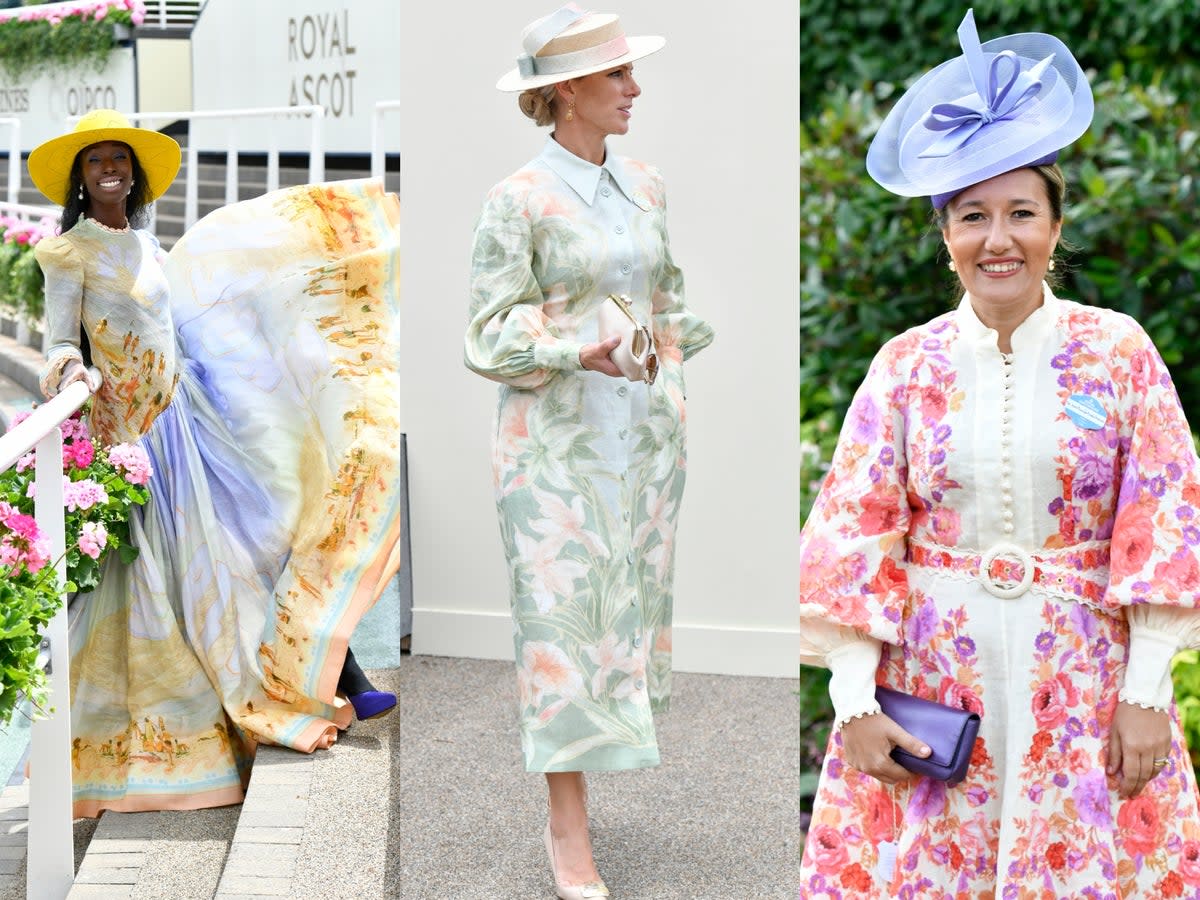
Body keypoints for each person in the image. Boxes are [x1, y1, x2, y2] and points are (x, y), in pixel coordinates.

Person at [798, 11, 1200, 897]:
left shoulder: (1120, 352)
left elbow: (1166, 515)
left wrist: (1145, 687)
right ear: (946, 236)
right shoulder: (905, 365)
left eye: (1022, 212)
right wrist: (856, 702)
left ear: (1056, 226)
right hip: (937, 691)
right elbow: (855, 537)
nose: (999, 238)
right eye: (973, 216)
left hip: (1086, 685)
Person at [27, 109, 401, 817]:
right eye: (95, 162)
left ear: (133, 173)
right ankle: (251, 710)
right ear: (80, 178)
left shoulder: (146, 241)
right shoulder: (68, 254)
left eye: (119, 159)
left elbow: (173, 323)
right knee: (199, 583)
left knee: (267, 532)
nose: (109, 170)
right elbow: (56, 345)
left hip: (192, 419)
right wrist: (69, 373)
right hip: (138, 444)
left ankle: (339, 671)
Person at [464, 6, 713, 898]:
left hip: (643, 444)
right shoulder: (517, 198)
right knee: (558, 628)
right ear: (565, 90)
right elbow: (486, 336)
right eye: (617, 76)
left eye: (629, 74)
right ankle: (567, 830)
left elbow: (670, 296)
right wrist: (579, 349)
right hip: (551, 451)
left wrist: (672, 374)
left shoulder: (646, 183)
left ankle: (585, 794)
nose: (634, 88)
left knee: (626, 616)